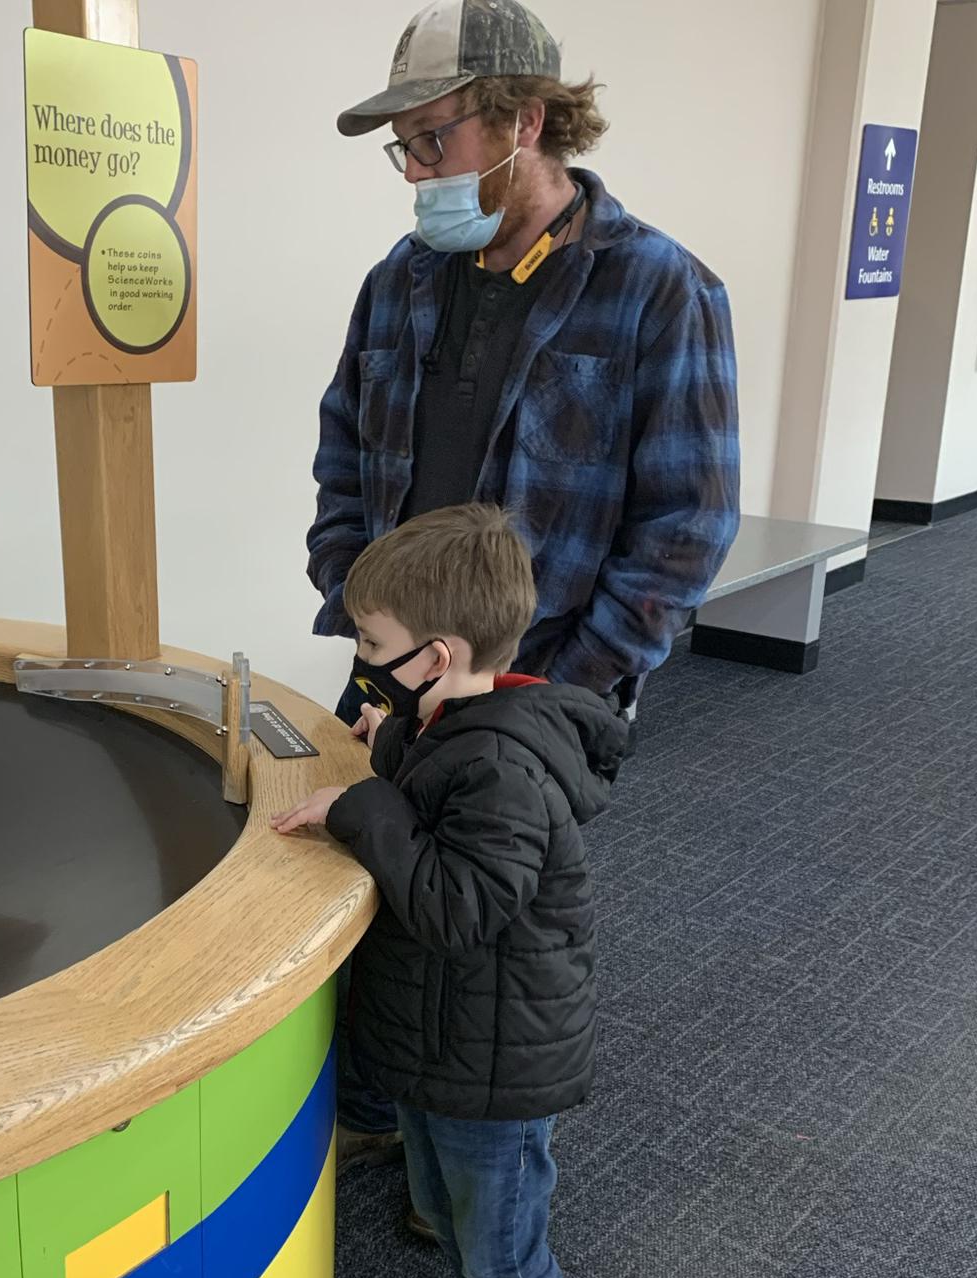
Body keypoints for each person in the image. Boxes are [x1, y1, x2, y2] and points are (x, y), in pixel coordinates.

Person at [308, 0, 741, 1179]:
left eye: (432, 140)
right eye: (400, 149)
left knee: (491, 942)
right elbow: (344, 447)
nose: (413, 174)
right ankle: (388, 1113)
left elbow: (688, 527)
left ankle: (471, 1187)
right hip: (396, 658)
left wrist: (568, 688)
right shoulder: (402, 281)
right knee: (381, 883)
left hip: (534, 687)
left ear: (526, 122)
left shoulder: (659, 291)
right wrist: (349, 590)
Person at [273, 504, 625, 1278]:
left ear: (440, 652)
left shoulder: (503, 764)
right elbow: (432, 809)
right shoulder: (452, 720)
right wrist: (391, 752)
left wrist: (366, 803)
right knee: (446, 1201)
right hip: (448, 1038)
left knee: (504, 1236)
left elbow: (457, 906)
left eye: (374, 644)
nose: (360, 656)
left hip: (497, 1057)